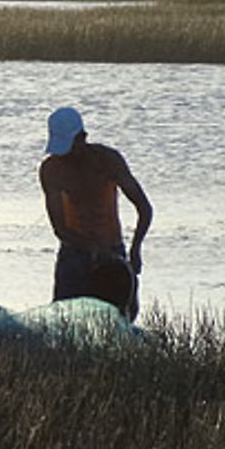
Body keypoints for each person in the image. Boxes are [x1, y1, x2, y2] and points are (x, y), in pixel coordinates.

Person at [39, 107, 152, 321]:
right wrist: (92, 249)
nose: (65, 155)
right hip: (74, 256)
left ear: (82, 138)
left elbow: (144, 209)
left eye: (69, 147)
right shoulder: (51, 170)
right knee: (63, 321)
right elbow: (60, 228)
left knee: (120, 321)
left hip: (114, 255)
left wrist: (135, 249)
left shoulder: (108, 160)